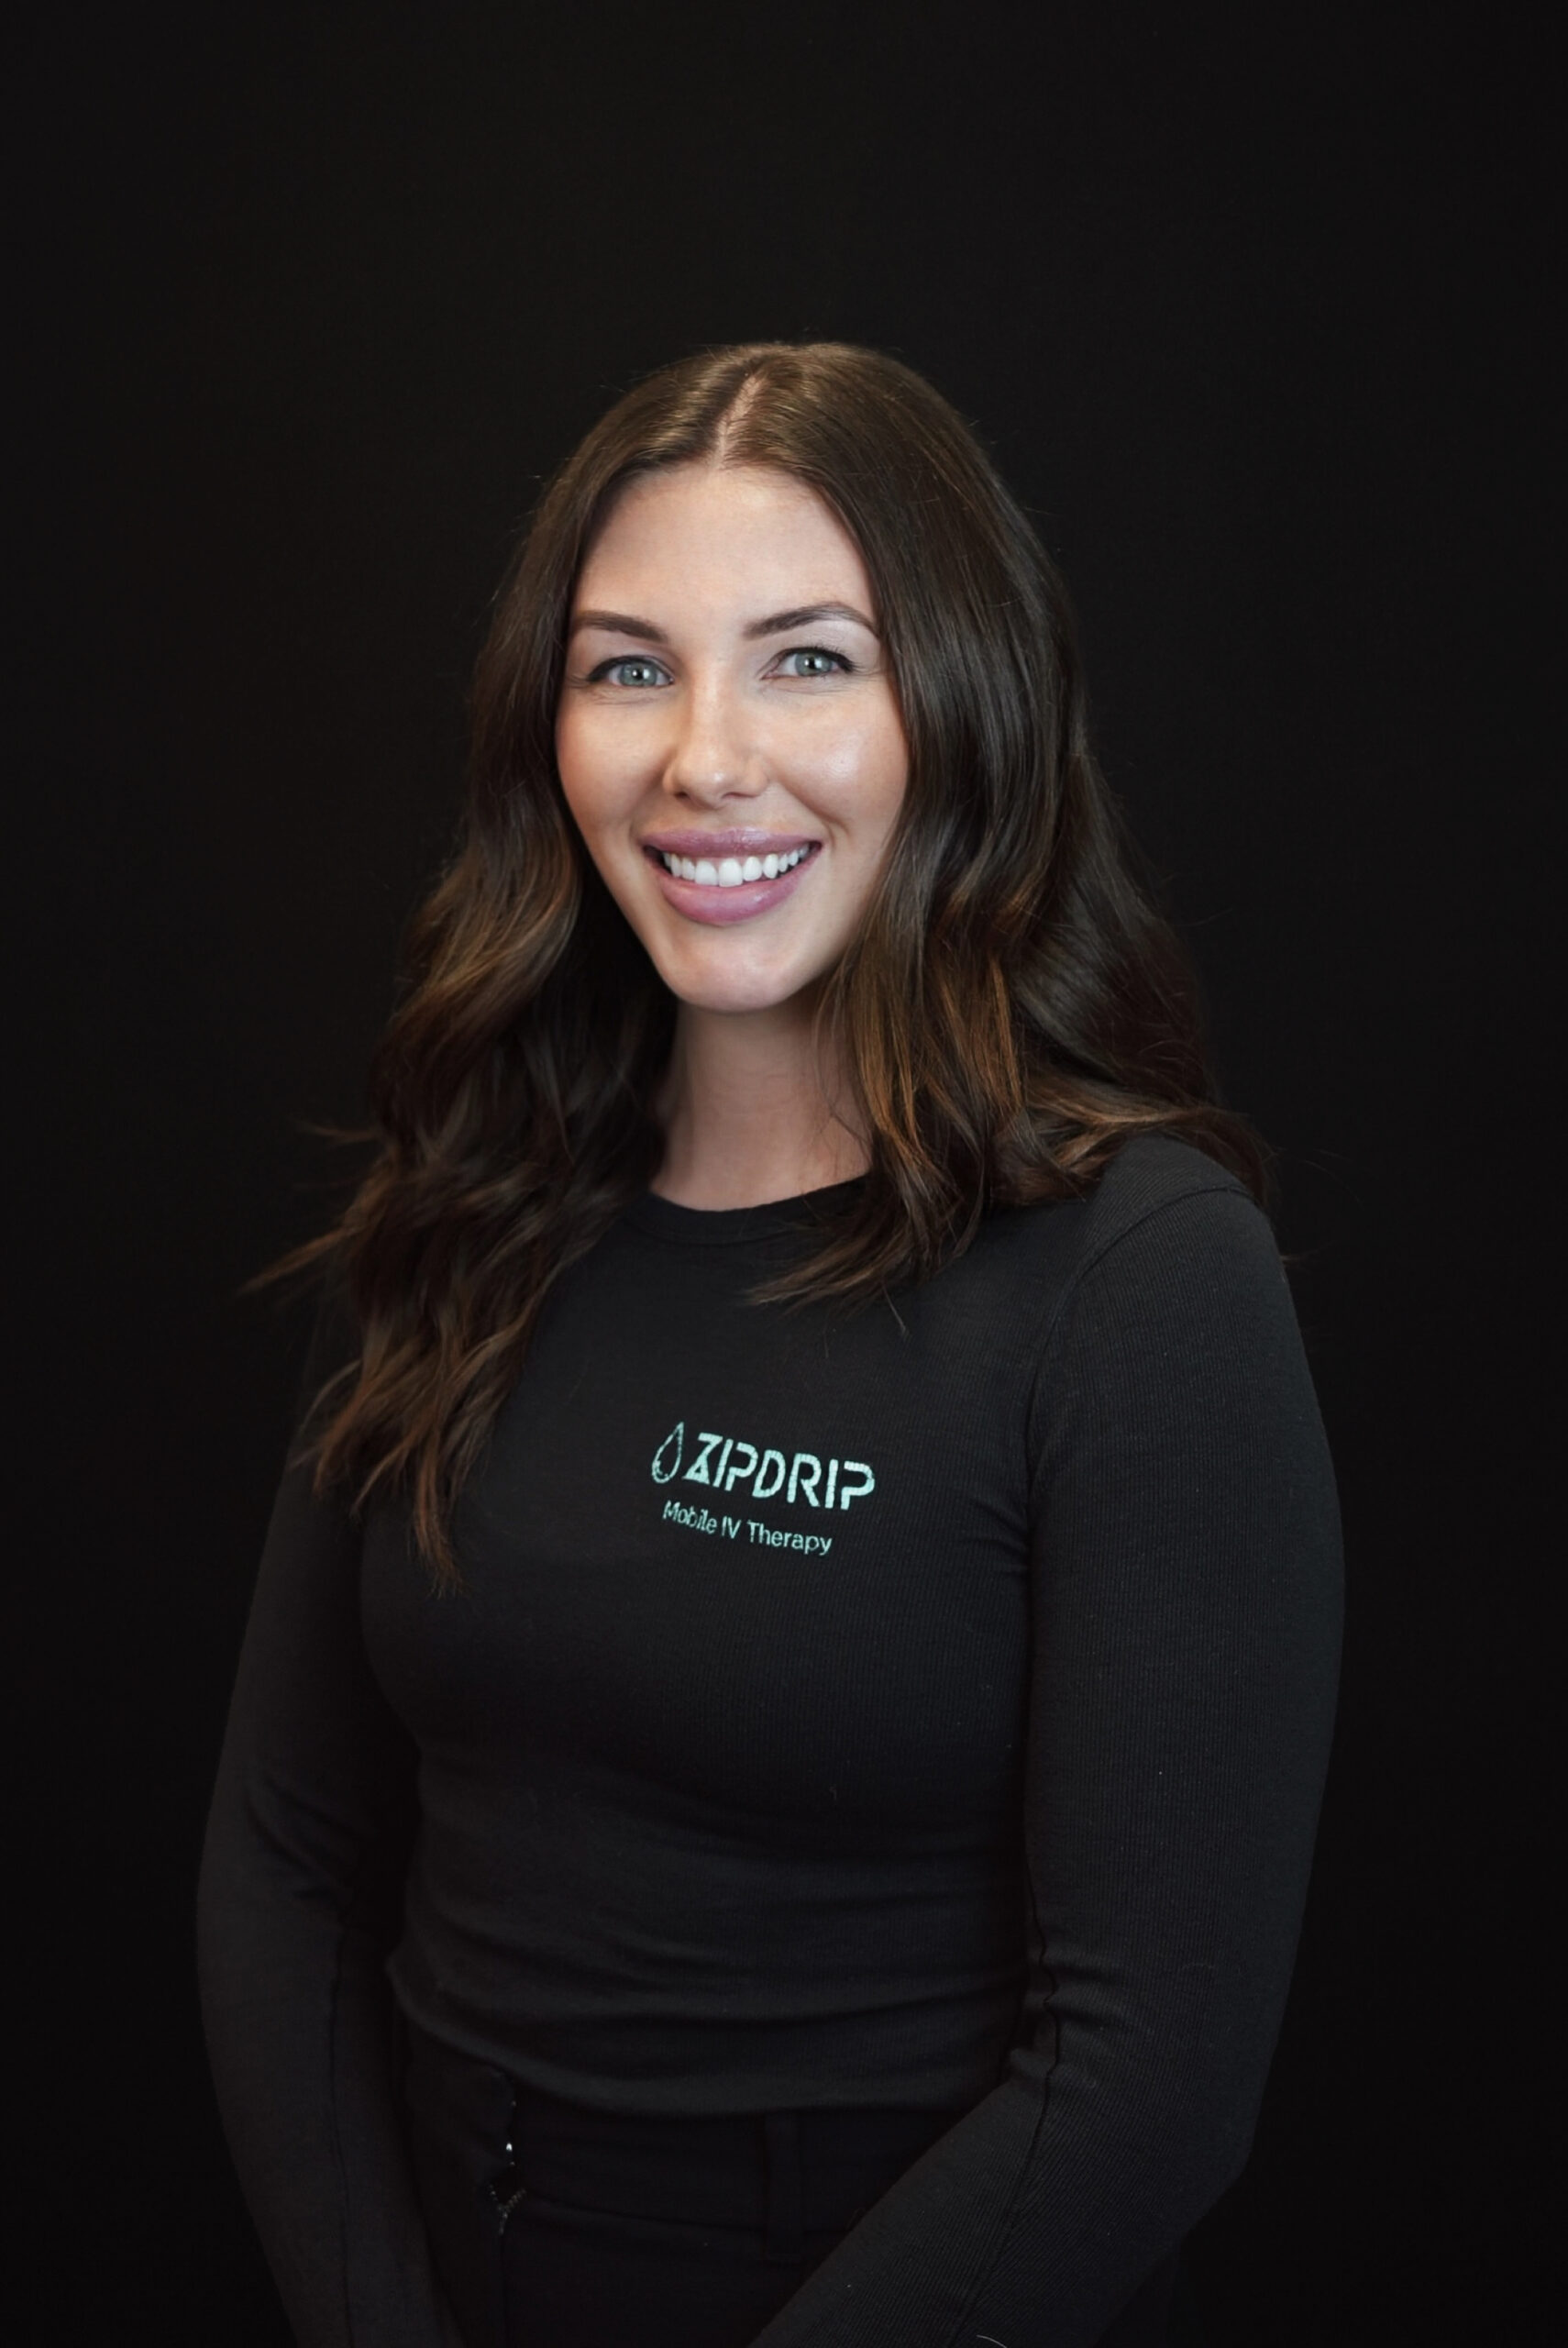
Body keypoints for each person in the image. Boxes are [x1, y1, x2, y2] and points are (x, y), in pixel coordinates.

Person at [197, 341, 1342, 2348]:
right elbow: (281, 1853)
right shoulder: (469, 1199)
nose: (704, 755)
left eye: (810, 657)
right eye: (627, 666)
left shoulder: (1142, 1277)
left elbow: (1149, 2079)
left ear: (959, 705)